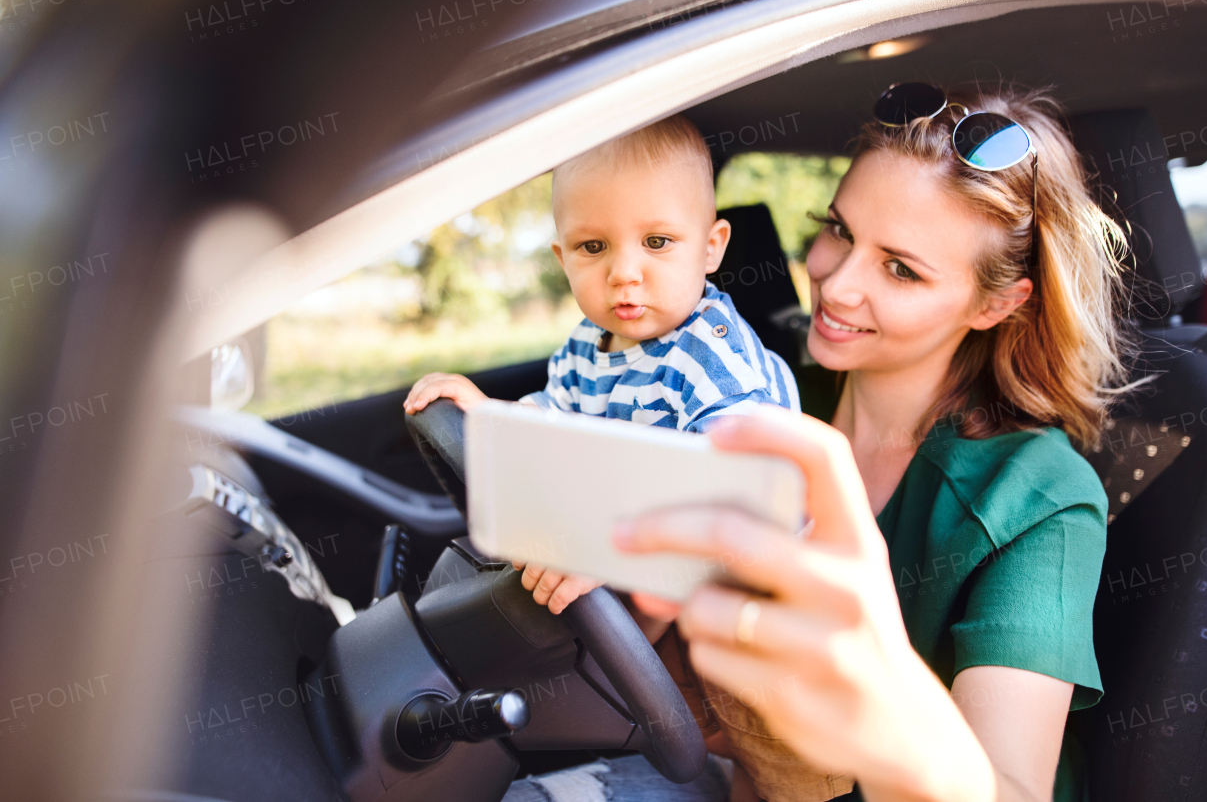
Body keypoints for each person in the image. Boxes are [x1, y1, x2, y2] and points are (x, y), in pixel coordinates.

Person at [503, 83, 1135, 802]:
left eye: (900, 268)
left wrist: (883, 700)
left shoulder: (1039, 496)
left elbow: (1013, 791)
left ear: (996, 303)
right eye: (838, 230)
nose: (834, 285)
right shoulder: (756, 393)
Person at [405, 115, 811, 799]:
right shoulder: (592, 347)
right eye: (594, 246)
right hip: (668, 615)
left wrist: (609, 549)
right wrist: (492, 414)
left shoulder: (717, 364)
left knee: (776, 779)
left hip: (768, 630)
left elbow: (736, 504)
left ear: (711, 248)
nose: (625, 272)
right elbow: (561, 420)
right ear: (563, 258)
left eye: (657, 241)